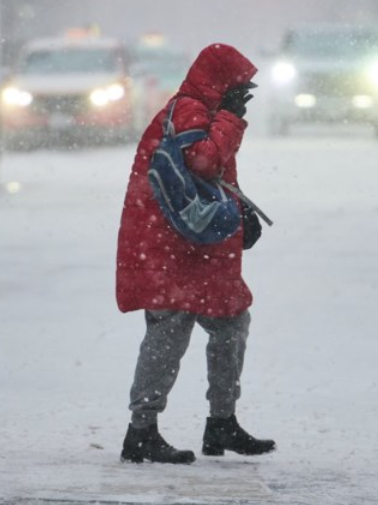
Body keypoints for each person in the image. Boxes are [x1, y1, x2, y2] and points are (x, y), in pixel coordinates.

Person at [116, 42, 275, 464]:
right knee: (169, 331)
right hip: (174, 245)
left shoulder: (199, 111)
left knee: (231, 321)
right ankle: (141, 431)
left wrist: (240, 212)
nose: (243, 95)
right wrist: (231, 118)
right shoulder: (189, 109)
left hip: (197, 244)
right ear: (219, 81)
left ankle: (221, 422)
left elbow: (214, 175)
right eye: (238, 86)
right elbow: (204, 162)